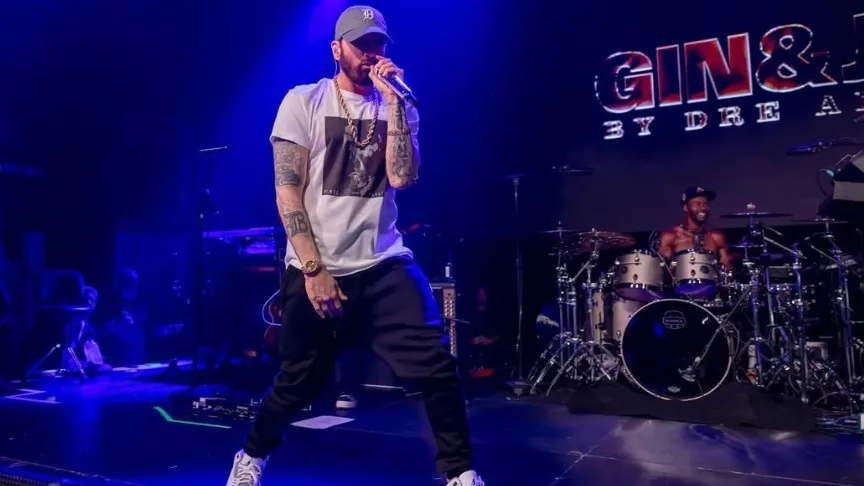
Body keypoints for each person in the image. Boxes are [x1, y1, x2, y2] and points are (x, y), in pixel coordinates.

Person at [226, 6, 483, 486]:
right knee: (298, 381)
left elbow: (402, 178)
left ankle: (461, 473)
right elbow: (287, 191)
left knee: (436, 365)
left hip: (383, 262)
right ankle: (251, 457)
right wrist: (312, 268)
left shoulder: (399, 104)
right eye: (361, 44)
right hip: (317, 264)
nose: (371, 53)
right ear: (336, 49)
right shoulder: (303, 101)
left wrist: (396, 104)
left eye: (378, 44)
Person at [658, 186, 731, 271]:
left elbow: (727, 268)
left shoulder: (716, 237)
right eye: (698, 204)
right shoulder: (671, 236)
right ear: (685, 208)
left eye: (705, 204)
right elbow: (661, 270)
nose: (703, 208)